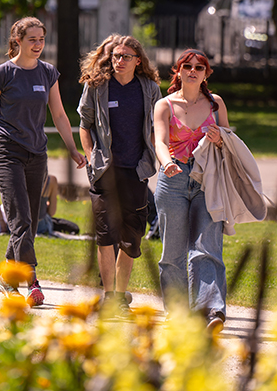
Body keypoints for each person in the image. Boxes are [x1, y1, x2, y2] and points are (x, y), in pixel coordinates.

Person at [0, 16, 86, 307]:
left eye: (41, 39)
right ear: (18, 41)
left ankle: (6, 277)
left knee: (28, 220)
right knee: (21, 219)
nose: (38, 45)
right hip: (7, 154)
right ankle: (32, 280)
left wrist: (72, 149)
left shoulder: (48, 73)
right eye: (32, 40)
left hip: (37, 155)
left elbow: (61, 115)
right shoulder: (3, 73)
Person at [78, 34, 161, 311]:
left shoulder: (148, 88)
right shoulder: (98, 86)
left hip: (137, 171)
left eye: (126, 56)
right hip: (105, 170)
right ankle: (111, 296)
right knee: (105, 235)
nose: (119, 61)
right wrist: (91, 159)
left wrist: (155, 155)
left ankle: (120, 294)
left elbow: (155, 128)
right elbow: (85, 124)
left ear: (138, 61)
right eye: (115, 56)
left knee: (130, 238)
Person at [153, 49, 230, 331]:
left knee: (206, 248)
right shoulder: (164, 104)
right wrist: (167, 162)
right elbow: (159, 141)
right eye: (187, 66)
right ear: (179, 71)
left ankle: (211, 312)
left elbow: (229, 140)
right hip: (172, 179)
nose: (193, 70)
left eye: (200, 67)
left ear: (206, 74)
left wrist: (220, 138)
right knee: (172, 252)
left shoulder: (215, 103)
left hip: (207, 179)